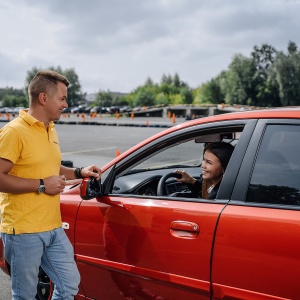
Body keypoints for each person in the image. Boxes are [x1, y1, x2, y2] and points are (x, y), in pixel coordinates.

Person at [0, 70, 102, 299]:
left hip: (53, 226)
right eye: (63, 98)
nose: (66, 104)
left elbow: (50, 167)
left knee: (69, 284)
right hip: (23, 230)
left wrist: (79, 171)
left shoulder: (49, 129)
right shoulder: (14, 132)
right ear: (43, 98)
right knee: (24, 294)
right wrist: (42, 185)